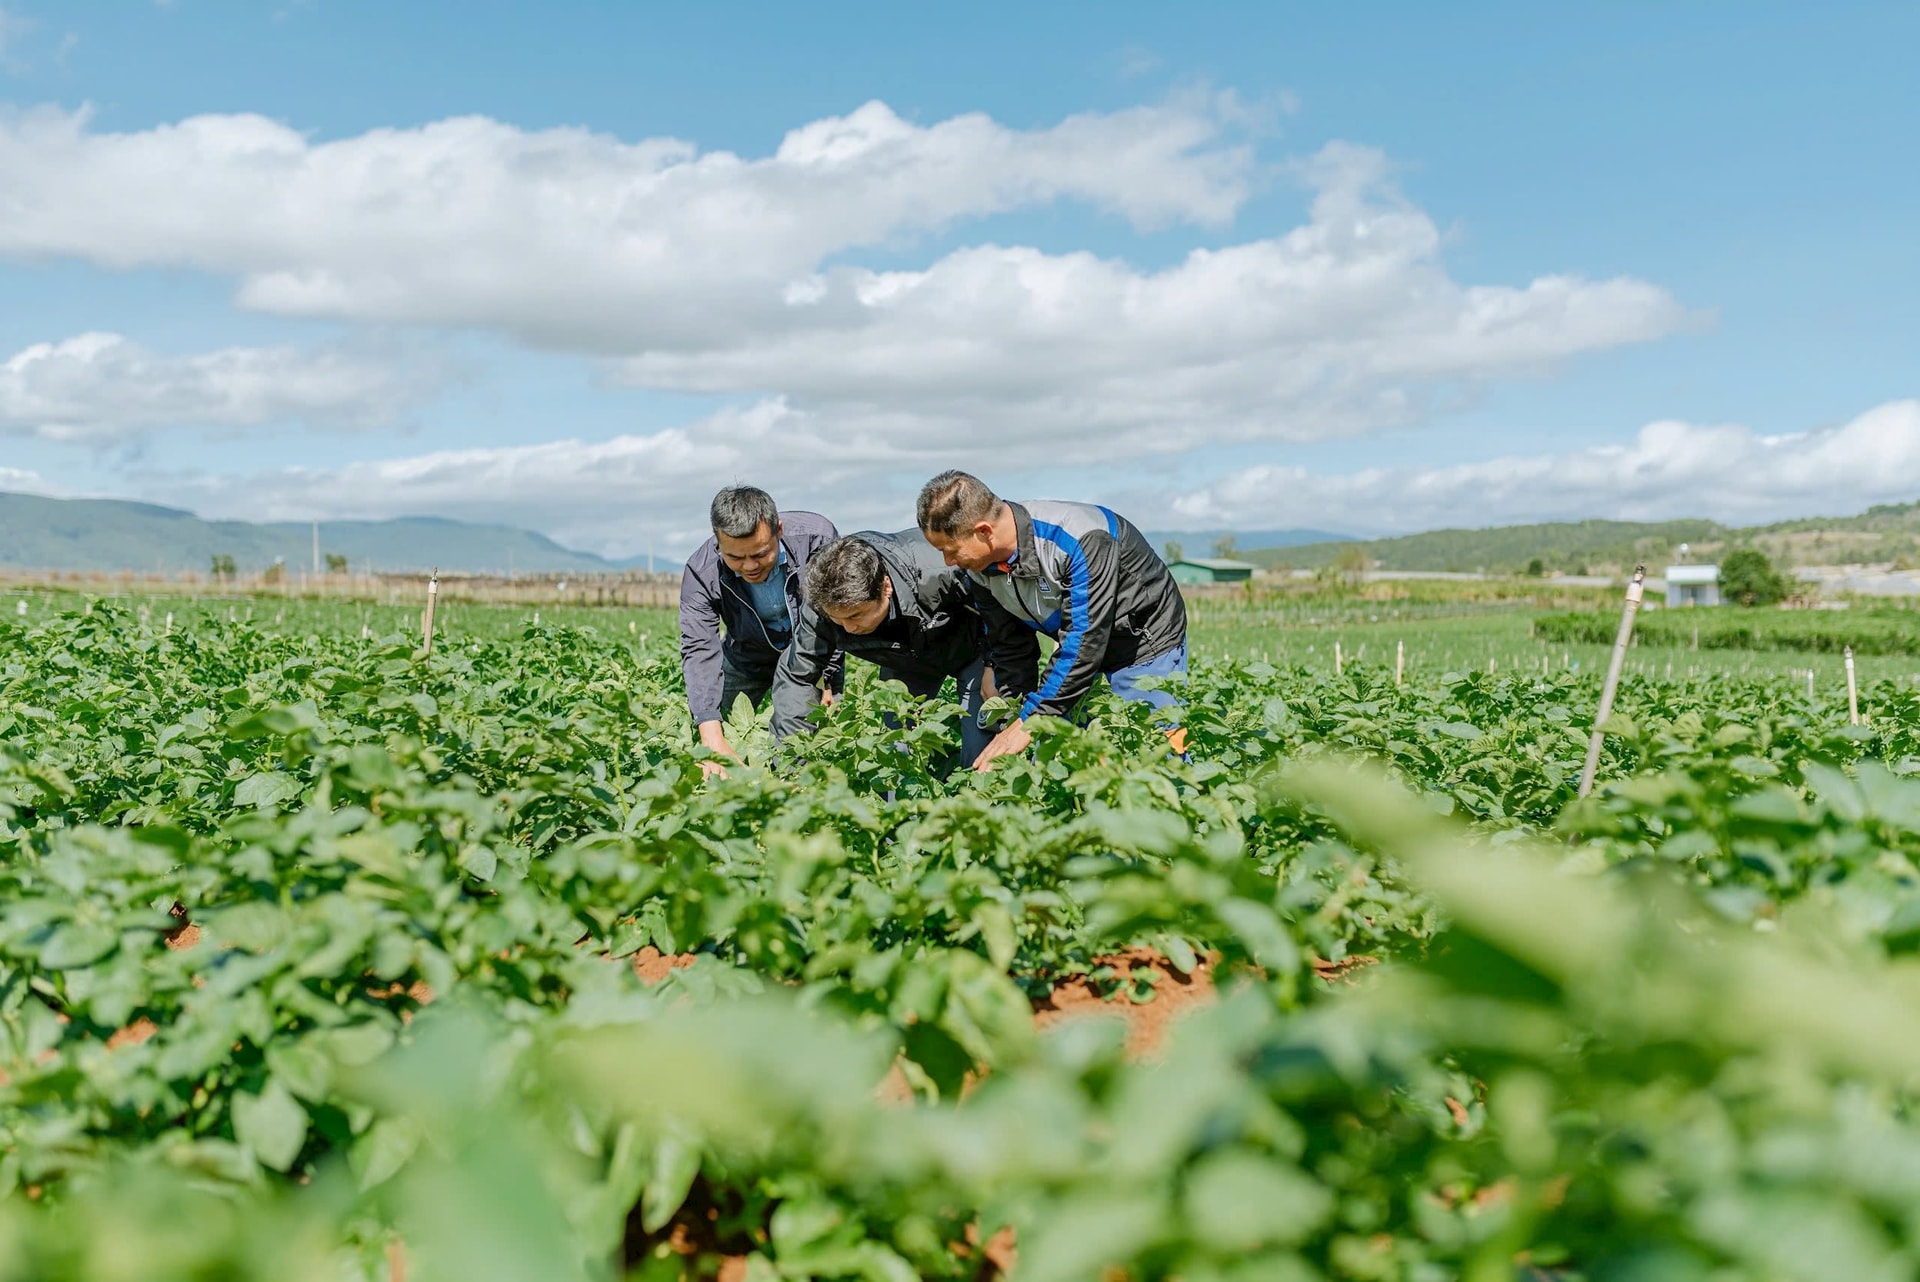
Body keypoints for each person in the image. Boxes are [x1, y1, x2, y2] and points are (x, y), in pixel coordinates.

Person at [916, 470, 1188, 770]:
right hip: (1083, 644)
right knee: (1079, 757)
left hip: (1143, 638)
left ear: (984, 531)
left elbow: (1083, 640)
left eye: (950, 550)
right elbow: (1008, 642)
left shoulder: (1080, 538)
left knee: (1157, 749)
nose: (948, 562)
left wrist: (1030, 721)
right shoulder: (980, 566)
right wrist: (1011, 711)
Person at [770, 530, 1027, 765]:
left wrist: (995, 665)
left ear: (885, 587)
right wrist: (792, 765)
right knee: (895, 755)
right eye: (838, 620)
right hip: (903, 661)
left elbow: (1003, 611)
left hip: (972, 649)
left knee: (982, 754)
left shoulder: (941, 569)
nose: (847, 629)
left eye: (857, 616)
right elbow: (796, 677)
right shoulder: (822, 604)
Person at [678, 486, 841, 768]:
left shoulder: (817, 540)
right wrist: (709, 731)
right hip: (745, 655)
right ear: (718, 543)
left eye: (760, 554)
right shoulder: (701, 572)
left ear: (778, 530)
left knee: (799, 746)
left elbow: (836, 612)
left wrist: (829, 679)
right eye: (735, 558)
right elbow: (699, 647)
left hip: (805, 654)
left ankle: (789, 791)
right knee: (710, 730)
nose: (749, 566)